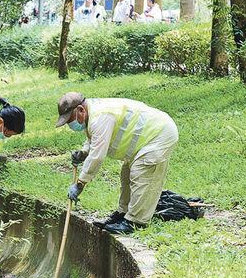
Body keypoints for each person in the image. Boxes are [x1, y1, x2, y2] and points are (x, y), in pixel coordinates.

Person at [55, 92, 178, 234]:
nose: (71, 125)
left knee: (142, 173)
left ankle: (135, 222)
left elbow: (97, 156)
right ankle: (123, 214)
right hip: (145, 139)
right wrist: (84, 152)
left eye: (70, 120)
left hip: (159, 134)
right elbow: (96, 138)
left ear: (81, 110)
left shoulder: (101, 116)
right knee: (126, 174)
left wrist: (80, 184)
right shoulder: (93, 113)